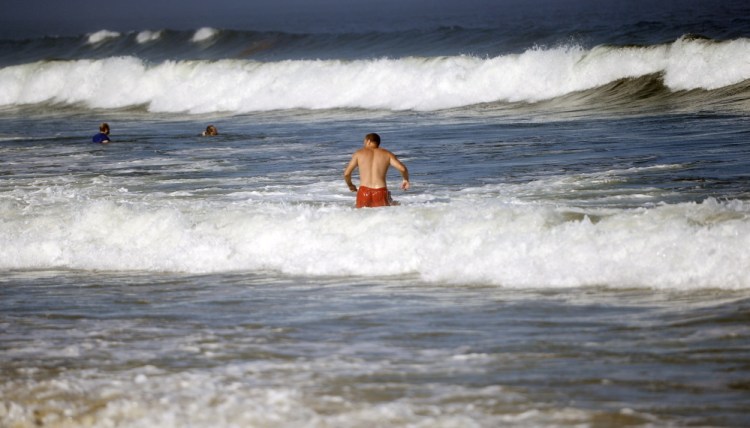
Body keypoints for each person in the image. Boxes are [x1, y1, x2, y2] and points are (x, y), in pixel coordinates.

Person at [344, 133, 410, 208]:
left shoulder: (359, 154)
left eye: (364, 141)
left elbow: (346, 173)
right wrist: (405, 179)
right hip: (380, 191)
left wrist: (350, 185)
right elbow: (403, 169)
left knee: (361, 216)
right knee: (382, 217)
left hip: (364, 191)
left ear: (368, 141)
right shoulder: (387, 154)